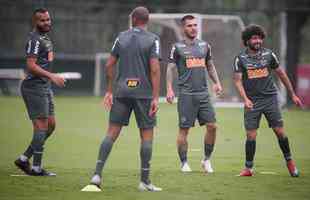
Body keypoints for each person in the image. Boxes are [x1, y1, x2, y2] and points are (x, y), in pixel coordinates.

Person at [84, 7, 162, 191]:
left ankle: (96, 175)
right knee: (147, 136)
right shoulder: (153, 39)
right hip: (143, 94)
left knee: (111, 133)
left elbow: (109, 64)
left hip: (121, 92)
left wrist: (110, 90)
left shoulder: (121, 37)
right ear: (147, 20)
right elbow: (155, 69)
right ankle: (144, 181)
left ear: (133, 19)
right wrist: (156, 97)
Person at [233, 24, 303, 177]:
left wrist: (293, 95)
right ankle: (248, 169)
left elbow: (282, 75)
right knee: (251, 135)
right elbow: (237, 81)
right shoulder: (240, 59)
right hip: (252, 101)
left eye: (259, 38)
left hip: (270, 99)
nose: (257, 40)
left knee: (279, 131)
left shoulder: (269, 55)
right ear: (247, 41)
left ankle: (290, 163)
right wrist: (245, 99)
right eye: (254, 38)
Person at [166, 15, 223, 173]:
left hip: (203, 94)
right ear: (184, 28)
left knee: (212, 126)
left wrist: (217, 83)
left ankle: (206, 160)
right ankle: (184, 163)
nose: (193, 28)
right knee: (184, 130)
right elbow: (170, 68)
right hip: (186, 95)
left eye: (195, 25)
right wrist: (169, 88)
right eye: (190, 25)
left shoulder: (205, 46)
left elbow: (210, 66)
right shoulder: (177, 47)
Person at [14, 8, 66, 176]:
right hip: (33, 87)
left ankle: (24, 159)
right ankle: (36, 168)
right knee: (41, 127)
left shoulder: (46, 38)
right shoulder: (35, 40)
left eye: (48, 19)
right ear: (35, 22)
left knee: (50, 126)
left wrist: (49, 79)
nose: (47, 22)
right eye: (42, 20)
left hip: (44, 87)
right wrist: (52, 76)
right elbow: (31, 65)